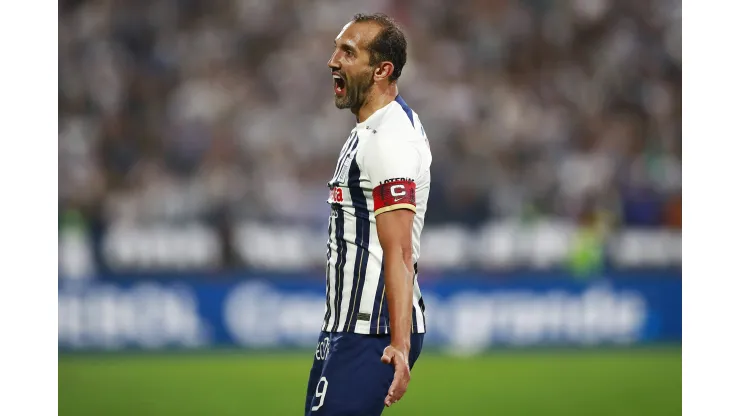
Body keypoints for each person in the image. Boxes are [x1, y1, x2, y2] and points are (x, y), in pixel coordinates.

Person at [304, 13, 432, 416]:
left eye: (348, 52)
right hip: (346, 326)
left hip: (372, 329)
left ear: (382, 70)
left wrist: (399, 343)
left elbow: (398, 253)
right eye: (336, 48)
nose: (332, 61)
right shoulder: (371, 129)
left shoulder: (389, 142)